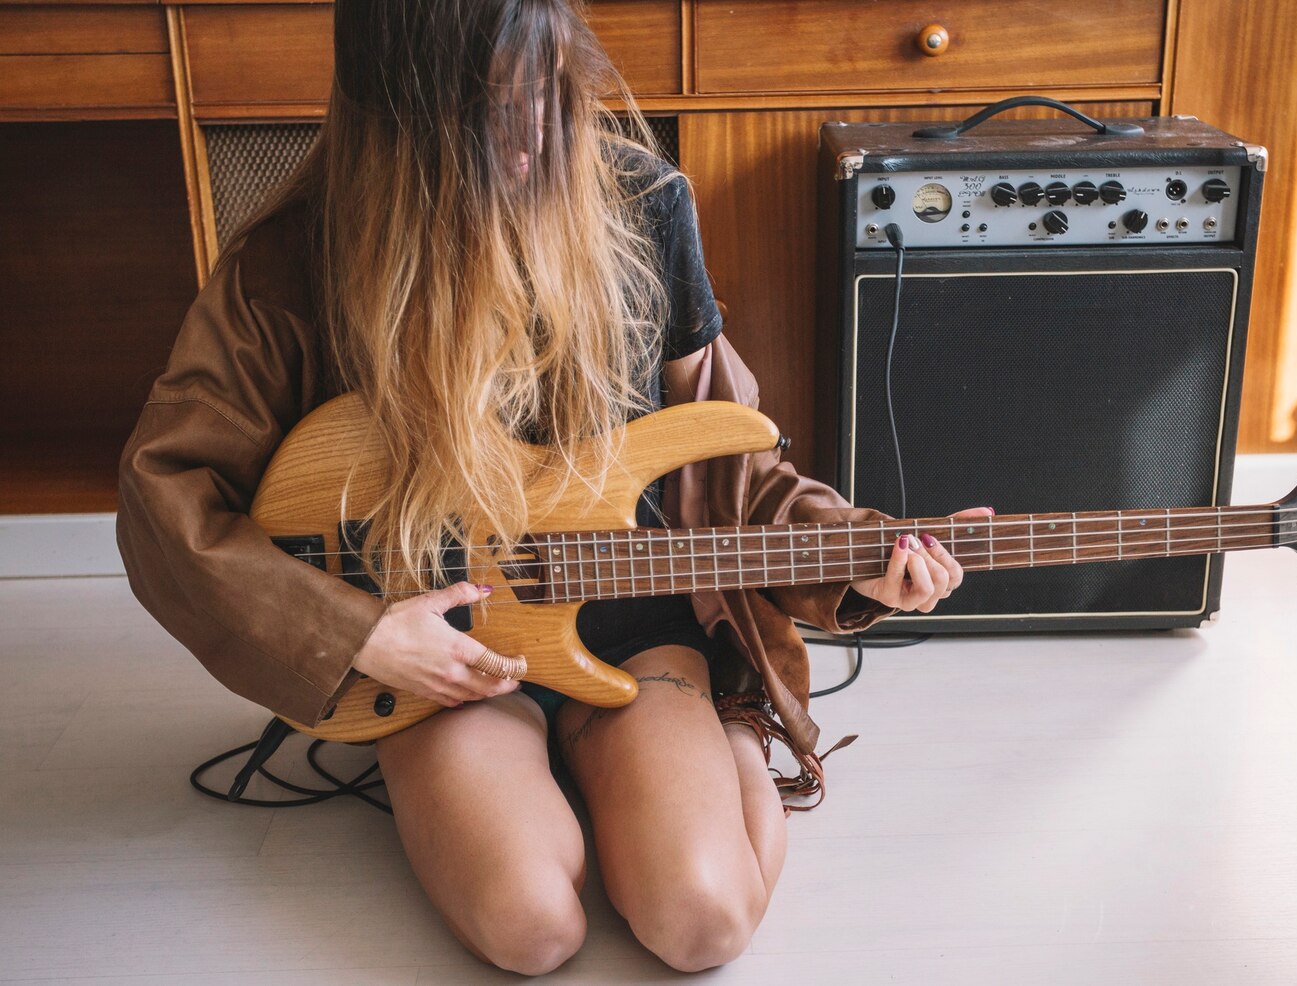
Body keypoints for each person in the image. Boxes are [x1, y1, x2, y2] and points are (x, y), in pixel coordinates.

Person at [115, 0, 990, 975]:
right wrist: (360, 636)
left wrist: (861, 554)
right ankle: (514, 767)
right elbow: (164, 494)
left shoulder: (642, 200)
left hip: (635, 628)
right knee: (531, 929)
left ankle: (724, 728)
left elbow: (733, 463)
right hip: (447, 656)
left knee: (702, 921)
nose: (535, 133)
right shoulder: (290, 260)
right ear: (400, 116)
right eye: (492, 110)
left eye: (550, 92)